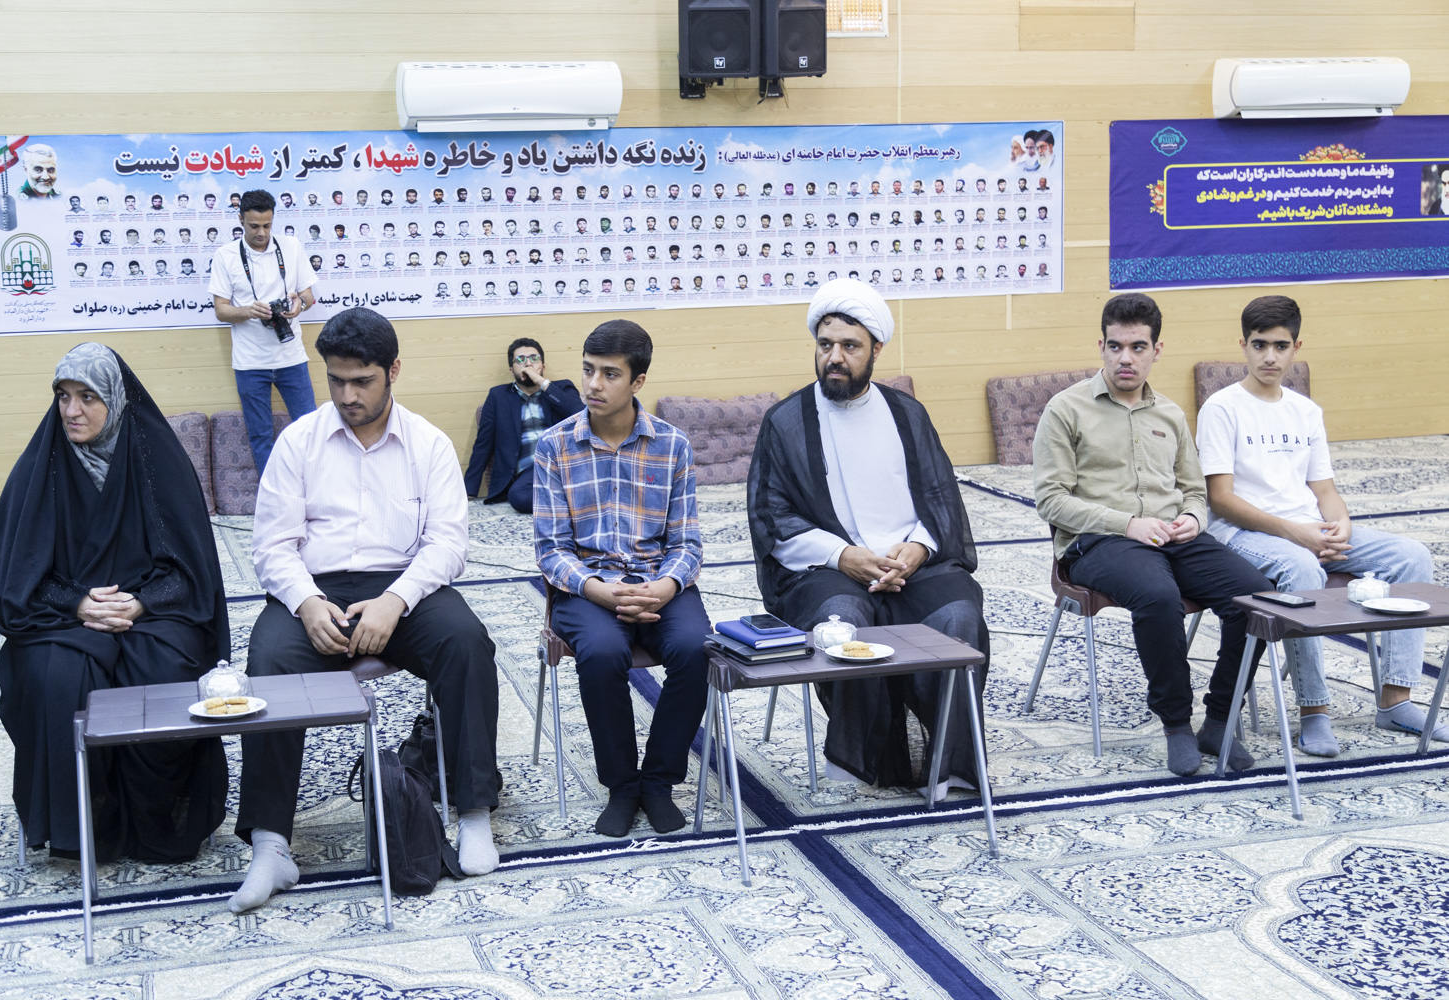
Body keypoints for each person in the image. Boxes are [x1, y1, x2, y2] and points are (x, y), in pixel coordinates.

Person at [230, 307, 501, 913]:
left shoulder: (428, 444)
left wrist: (395, 600)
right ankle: (271, 845)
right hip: (314, 586)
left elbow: (448, 544)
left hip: (403, 585)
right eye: (336, 380)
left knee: (466, 642)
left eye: (362, 381)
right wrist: (306, 603)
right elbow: (271, 546)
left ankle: (473, 812)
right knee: (268, 660)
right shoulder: (299, 442)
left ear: (393, 371)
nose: (348, 396)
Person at [0, 344, 229, 862]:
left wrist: (139, 602)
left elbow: (192, 572)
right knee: (55, 677)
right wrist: (77, 604)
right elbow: (14, 578)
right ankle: (86, 827)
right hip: (61, 616)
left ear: (115, 400)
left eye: (88, 397)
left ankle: (155, 820)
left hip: (151, 611)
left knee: (163, 669)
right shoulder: (40, 468)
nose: (71, 411)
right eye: (63, 396)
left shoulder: (157, 461)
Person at [747, 279, 990, 793]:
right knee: (842, 621)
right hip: (825, 569)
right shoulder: (786, 422)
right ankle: (862, 762)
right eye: (825, 344)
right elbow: (771, 515)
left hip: (912, 565)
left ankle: (951, 766)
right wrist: (842, 555)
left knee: (958, 616)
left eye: (850, 346)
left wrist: (918, 548)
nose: (834, 357)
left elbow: (941, 496)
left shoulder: (907, 413)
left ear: (876, 349)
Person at [1033, 293, 1270, 776]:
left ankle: (1220, 720)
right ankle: (1176, 724)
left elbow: (1194, 491)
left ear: (1156, 350)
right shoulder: (1065, 409)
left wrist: (1194, 519)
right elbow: (1051, 501)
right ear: (1101, 346)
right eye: (1116, 346)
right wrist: (1127, 524)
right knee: (1158, 596)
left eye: (1138, 347)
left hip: (1173, 536)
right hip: (1100, 541)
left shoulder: (1170, 414)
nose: (1126, 358)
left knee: (1257, 597)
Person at [1197, 295, 1442, 752]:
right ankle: (1314, 710)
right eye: (1259, 345)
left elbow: (1324, 491)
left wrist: (1340, 524)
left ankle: (1396, 701)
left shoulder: (1305, 411)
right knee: (1302, 569)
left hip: (1308, 528)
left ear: (1296, 347)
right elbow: (1221, 500)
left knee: (1411, 556)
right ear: (1243, 346)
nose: (1270, 357)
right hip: (1242, 534)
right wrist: (1298, 535)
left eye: (1280, 346)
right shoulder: (1222, 407)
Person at [533, 321, 709, 838]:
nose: (593, 384)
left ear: (638, 381)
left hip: (658, 582)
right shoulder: (554, 446)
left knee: (697, 648)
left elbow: (687, 543)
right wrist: (601, 592)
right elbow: (551, 550)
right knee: (605, 651)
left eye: (610, 374)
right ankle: (622, 786)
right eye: (588, 370)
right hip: (586, 587)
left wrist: (664, 588)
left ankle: (658, 781)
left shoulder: (672, 445)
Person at [209, 189, 319, 475]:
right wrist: (249, 311)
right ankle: (273, 495)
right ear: (240, 220)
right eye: (254, 226)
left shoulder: (291, 246)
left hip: (291, 357)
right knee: (260, 437)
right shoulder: (225, 255)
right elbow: (221, 310)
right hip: (250, 363)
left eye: (267, 225)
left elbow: (309, 296)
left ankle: (315, 489)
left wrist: (299, 304)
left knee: (310, 430)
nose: (261, 233)